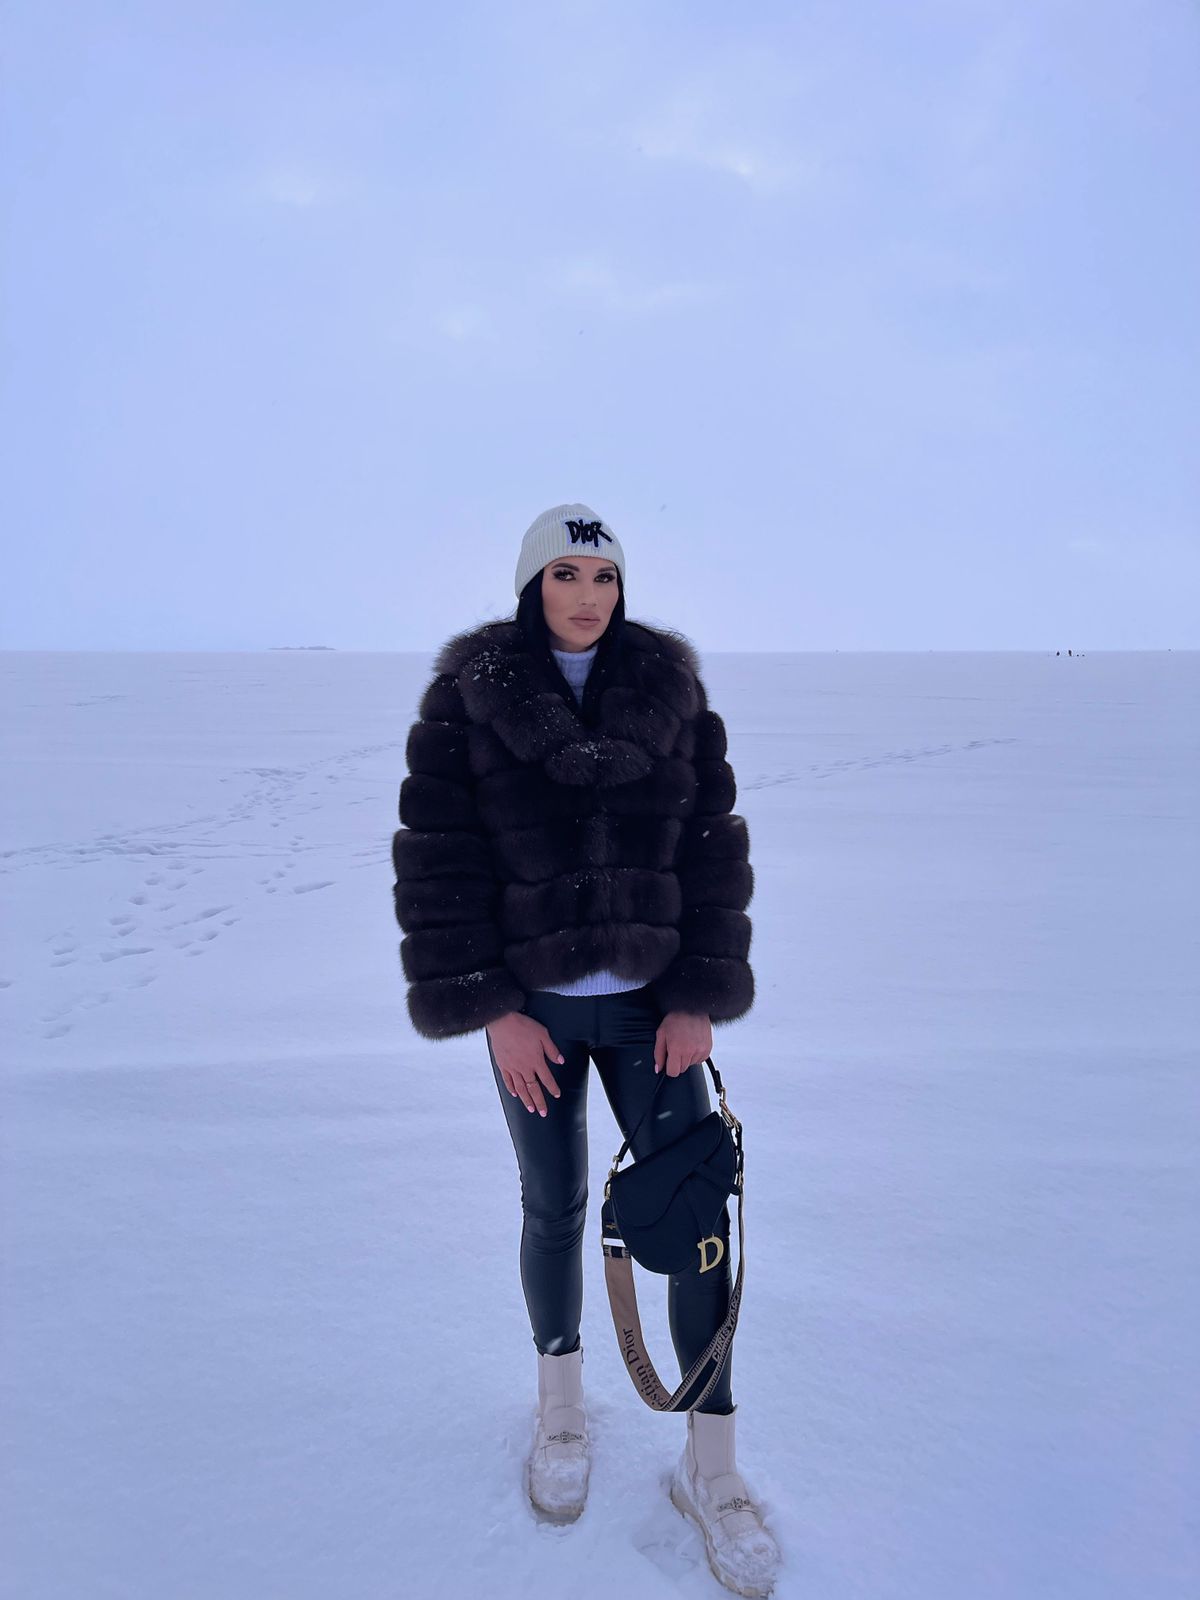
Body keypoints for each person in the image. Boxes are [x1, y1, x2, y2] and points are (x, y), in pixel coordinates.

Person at [390, 503, 781, 1597]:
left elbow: (711, 851)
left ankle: (712, 1466)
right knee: (554, 1206)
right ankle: (561, 1410)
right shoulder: (470, 697)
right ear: (533, 586)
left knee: (695, 1218)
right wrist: (492, 1008)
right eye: (565, 574)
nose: (587, 595)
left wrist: (698, 996)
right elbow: (440, 862)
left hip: (655, 1014)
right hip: (537, 1016)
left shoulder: (670, 690)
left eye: (603, 576)